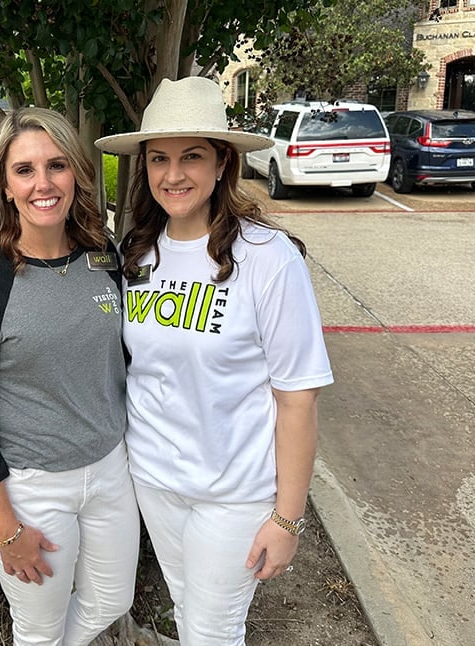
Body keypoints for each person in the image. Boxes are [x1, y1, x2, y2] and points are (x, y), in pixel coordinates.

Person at [95, 76, 334, 645]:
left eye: (192, 157)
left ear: (223, 162)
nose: (173, 175)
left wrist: (287, 517)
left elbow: (298, 397)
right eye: (159, 159)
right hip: (153, 477)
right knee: (186, 608)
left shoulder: (268, 259)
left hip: (236, 493)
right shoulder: (136, 252)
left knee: (213, 629)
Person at [0, 107, 139, 645]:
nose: (43, 184)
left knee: (112, 598)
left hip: (110, 471)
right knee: (39, 628)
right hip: (29, 488)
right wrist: (5, 527)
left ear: (77, 172)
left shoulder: (104, 255)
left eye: (57, 166)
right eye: (24, 170)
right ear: (4, 183)